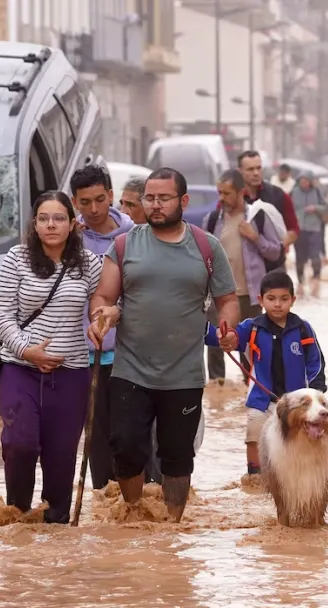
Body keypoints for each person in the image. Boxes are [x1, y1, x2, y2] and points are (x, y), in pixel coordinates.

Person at [88, 168, 240, 522]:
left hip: (184, 374)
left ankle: (173, 526)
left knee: (177, 456)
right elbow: (104, 296)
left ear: (183, 201)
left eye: (163, 198)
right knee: (125, 448)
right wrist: (103, 315)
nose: (155, 206)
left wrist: (227, 327)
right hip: (131, 370)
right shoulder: (125, 245)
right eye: (149, 199)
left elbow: (227, 298)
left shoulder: (206, 246)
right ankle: (134, 513)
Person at [0, 191, 103, 524]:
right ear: (35, 223)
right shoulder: (17, 258)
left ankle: (55, 526)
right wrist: (27, 350)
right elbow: (1, 314)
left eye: (58, 218)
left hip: (71, 374)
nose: (50, 225)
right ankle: (18, 516)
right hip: (19, 368)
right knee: (20, 443)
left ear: (72, 224)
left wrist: (100, 320)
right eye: (43, 218)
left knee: (61, 456)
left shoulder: (89, 263)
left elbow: (104, 302)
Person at [224, 270, 327, 478]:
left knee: (300, 439)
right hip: (262, 400)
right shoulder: (251, 328)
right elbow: (229, 337)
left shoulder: (304, 329)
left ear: (293, 300)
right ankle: (254, 476)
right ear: (261, 300)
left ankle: (297, 476)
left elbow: (316, 363)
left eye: (284, 299)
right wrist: (224, 336)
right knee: (254, 436)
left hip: (296, 404)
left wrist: (315, 393)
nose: (277, 304)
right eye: (271, 299)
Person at [70, 166, 135, 491]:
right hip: (84, 356)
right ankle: (103, 502)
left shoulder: (134, 237)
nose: (93, 209)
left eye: (99, 200)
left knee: (130, 434)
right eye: (85, 202)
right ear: (74, 202)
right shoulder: (69, 239)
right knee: (94, 436)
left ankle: (136, 500)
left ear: (111, 196)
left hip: (130, 355)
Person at [204, 169, 282, 383]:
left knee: (250, 346)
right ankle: (218, 391)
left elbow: (276, 251)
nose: (222, 198)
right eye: (219, 192)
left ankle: (251, 390)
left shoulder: (257, 217)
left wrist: (255, 237)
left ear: (241, 192)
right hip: (219, 294)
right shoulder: (211, 220)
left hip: (250, 294)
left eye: (227, 193)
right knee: (215, 346)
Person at [238, 151, 299, 248]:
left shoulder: (278, 195)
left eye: (258, 168)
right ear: (240, 171)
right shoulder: (233, 197)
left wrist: (279, 249)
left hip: (272, 260)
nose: (256, 173)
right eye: (250, 169)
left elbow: (293, 229)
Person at [291, 172, 326, 286]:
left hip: (314, 228)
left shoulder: (317, 192)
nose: (304, 182)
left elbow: (326, 207)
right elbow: (286, 208)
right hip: (299, 229)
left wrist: (315, 208)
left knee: (315, 256)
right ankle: (300, 282)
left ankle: (316, 280)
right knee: (300, 258)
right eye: (302, 180)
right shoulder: (294, 192)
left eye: (306, 180)